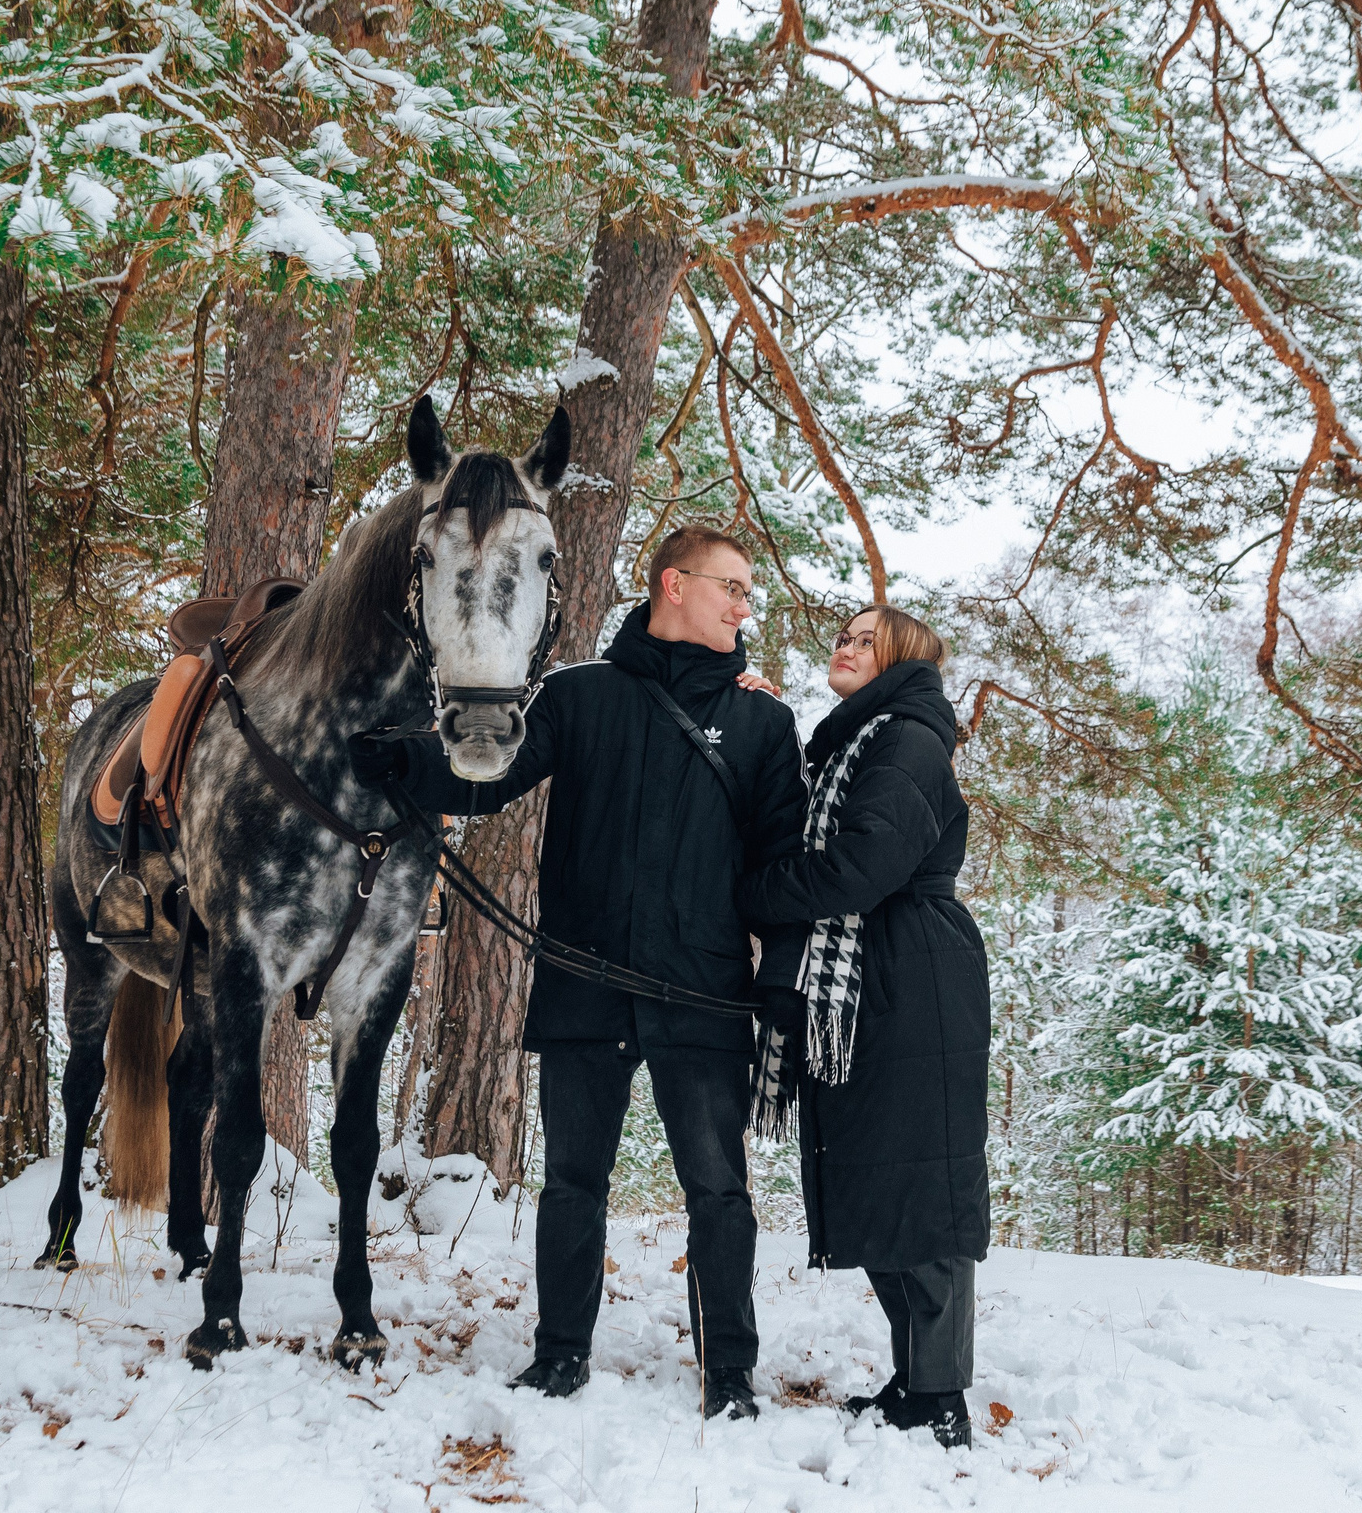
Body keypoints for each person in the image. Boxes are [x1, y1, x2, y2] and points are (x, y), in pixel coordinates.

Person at [361, 526, 804, 1418]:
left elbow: (780, 866)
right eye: (732, 585)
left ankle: (729, 1372)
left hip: (703, 995)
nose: (744, 604)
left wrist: (781, 981)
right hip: (584, 987)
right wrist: (401, 758)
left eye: (748, 591)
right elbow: (488, 778)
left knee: (719, 1191)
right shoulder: (578, 694)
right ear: (673, 584)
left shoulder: (763, 721)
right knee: (572, 1184)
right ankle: (560, 1354)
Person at [739, 605, 990, 1450]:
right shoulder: (856, 740)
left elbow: (861, 866)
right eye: (841, 635)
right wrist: (757, 712)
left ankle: (941, 1396)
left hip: (912, 977)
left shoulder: (908, 738)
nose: (844, 646)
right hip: (869, 977)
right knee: (882, 1178)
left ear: (902, 658)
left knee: (924, 1182)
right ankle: (917, 1379)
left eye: (865, 639)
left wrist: (753, 895)